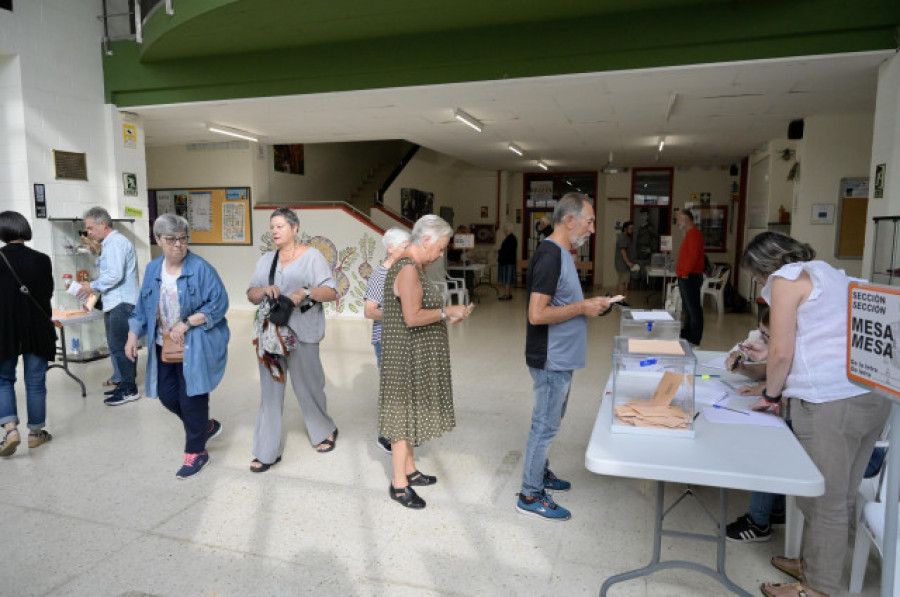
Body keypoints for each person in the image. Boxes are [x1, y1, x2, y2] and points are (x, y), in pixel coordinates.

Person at [741, 232, 890, 597]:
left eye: (758, 276)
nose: (761, 285)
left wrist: (771, 395)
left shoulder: (785, 281)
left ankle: (818, 589)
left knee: (824, 501)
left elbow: (780, 353)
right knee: (842, 496)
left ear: (766, 266)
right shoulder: (832, 275)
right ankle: (814, 563)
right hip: (868, 395)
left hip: (829, 403)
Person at [517, 193, 616, 521]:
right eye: (588, 221)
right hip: (551, 358)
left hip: (562, 357)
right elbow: (537, 314)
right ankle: (530, 493)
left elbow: (562, 303)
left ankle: (540, 473)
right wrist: (583, 307)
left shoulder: (561, 254)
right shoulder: (550, 256)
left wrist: (591, 306)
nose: (591, 229)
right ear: (569, 220)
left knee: (551, 421)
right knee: (544, 426)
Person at [124, 214, 229, 479]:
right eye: (171, 240)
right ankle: (203, 426)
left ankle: (196, 452)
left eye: (183, 239)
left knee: (192, 396)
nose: (179, 245)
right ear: (158, 240)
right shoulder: (153, 269)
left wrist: (187, 323)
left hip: (195, 345)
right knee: (168, 395)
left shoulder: (201, 269)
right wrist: (133, 335)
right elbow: (142, 306)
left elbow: (219, 303)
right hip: (163, 345)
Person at [379, 215, 472, 509]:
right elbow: (412, 316)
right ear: (427, 240)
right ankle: (399, 484)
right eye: (442, 248)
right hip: (405, 355)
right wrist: (446, 312)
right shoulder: (407, 269)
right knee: (401, 417)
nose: (441, 254)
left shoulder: (411, 266)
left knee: (409, 412)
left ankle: (410, 470)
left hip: (410, 353)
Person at [248, 208, 338, 472]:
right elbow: (251, 293)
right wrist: (264, 290)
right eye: (272, 227)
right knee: (270, 392)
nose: (275, 231)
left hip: (303, 332)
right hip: (270, 335)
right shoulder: (266, 260)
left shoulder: (312, 257)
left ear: (295, 228)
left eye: (280, 226)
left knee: (308, 385)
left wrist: (305, 291)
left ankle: (324, 429)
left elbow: (331, 291)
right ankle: (266, 450)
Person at [0, 211, 56, 457]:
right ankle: (35, 433)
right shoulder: (42, 259)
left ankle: (10, 429)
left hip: (4, 328)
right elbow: (47, 292)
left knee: (3, 380)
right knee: (35, 382)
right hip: (36, 326)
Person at [76, 207, 140, 406]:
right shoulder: (110, 244)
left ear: (102, 224)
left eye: (90, 228)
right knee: (119, 346)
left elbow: (114, 276)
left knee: (120, 347)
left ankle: (129, 388)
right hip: (116, 302)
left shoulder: (115, 243)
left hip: (122, 302)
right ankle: (125, 383)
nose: (89, 233)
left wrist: (91, 286)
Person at [364, 227, 411, 454]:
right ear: (391, 248)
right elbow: (369, 310)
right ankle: (386, 436)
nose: (408, 251)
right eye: (404, 247)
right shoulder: (379, 274)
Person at [675, 209, 704, 346]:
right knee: (687, 308)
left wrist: (685, 273)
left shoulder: (694, 234)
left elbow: (693, 256)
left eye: (678, 219)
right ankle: (687, 333)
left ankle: (694, 337)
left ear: (686, 219)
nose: (677, 222)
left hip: (690, 277)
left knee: (693, 308)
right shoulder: (690, 234)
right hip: (685, 276)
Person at [614, 221, 639, 305]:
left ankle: (620, 300)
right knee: (622, 283)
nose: (633, 230)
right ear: (625, 229)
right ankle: (621, 301)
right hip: (623, 265)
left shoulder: (626, 237)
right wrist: (628, 263)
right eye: (631, 228)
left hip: (624, 265)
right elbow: (623, 251)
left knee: (623, 282)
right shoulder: (623, 237)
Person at [497, 222, 518, 300]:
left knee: (507, 279)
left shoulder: (509, 239)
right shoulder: (513, 238)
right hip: (511, 261)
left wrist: (499, 252)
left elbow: (505, 251)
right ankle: (509, 294)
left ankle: (506, 294)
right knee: (509, 279)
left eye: (504, 231)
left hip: (507, 262)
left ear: (507, 230)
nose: (504, 232)